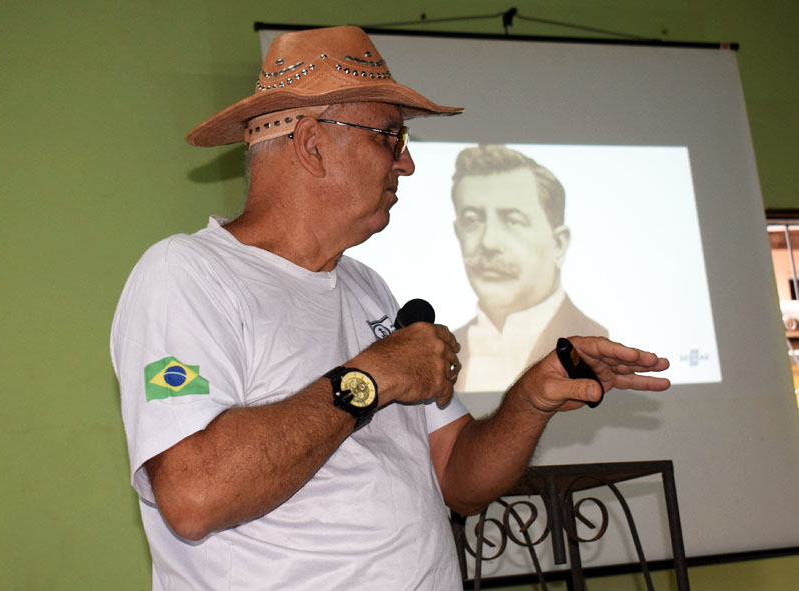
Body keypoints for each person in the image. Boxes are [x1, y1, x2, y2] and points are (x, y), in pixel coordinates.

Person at [110, 26, 670, 590]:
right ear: (311, 144)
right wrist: (372, 376)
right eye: (390, 137)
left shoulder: (367, 287)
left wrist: (530, 399)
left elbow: (457, 479)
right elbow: (193, 493)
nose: (406, 166)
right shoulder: (186, 275)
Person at [451, 145, 608, 393]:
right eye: (472, 220)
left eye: (513, 220)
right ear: (458, 234)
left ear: (559, 244)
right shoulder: (445, 350)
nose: (489, 242)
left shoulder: (602, 343)